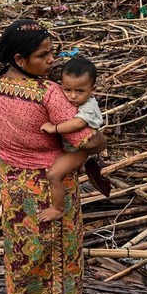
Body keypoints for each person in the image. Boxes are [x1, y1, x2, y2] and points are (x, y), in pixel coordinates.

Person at [0, 20, 106, 294]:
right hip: (52, 183)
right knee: (61, 251)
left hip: (12, 183)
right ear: (20, 60)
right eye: (43, 55)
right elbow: (86, 140)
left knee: (20, 253)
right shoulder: (48, 94)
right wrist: (101, 139)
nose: (52, 60)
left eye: (53, 52)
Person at [38, 56, 109, 221]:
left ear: (92, 89)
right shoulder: (70, 99)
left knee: (54, 175)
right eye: (67, 89)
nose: (72, 96)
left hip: (78, 151)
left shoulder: (89, 107)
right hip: (70, 148)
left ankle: (58, 208)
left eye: (80, 91)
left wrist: (53, 128)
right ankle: (80, 168)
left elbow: (77, 124)